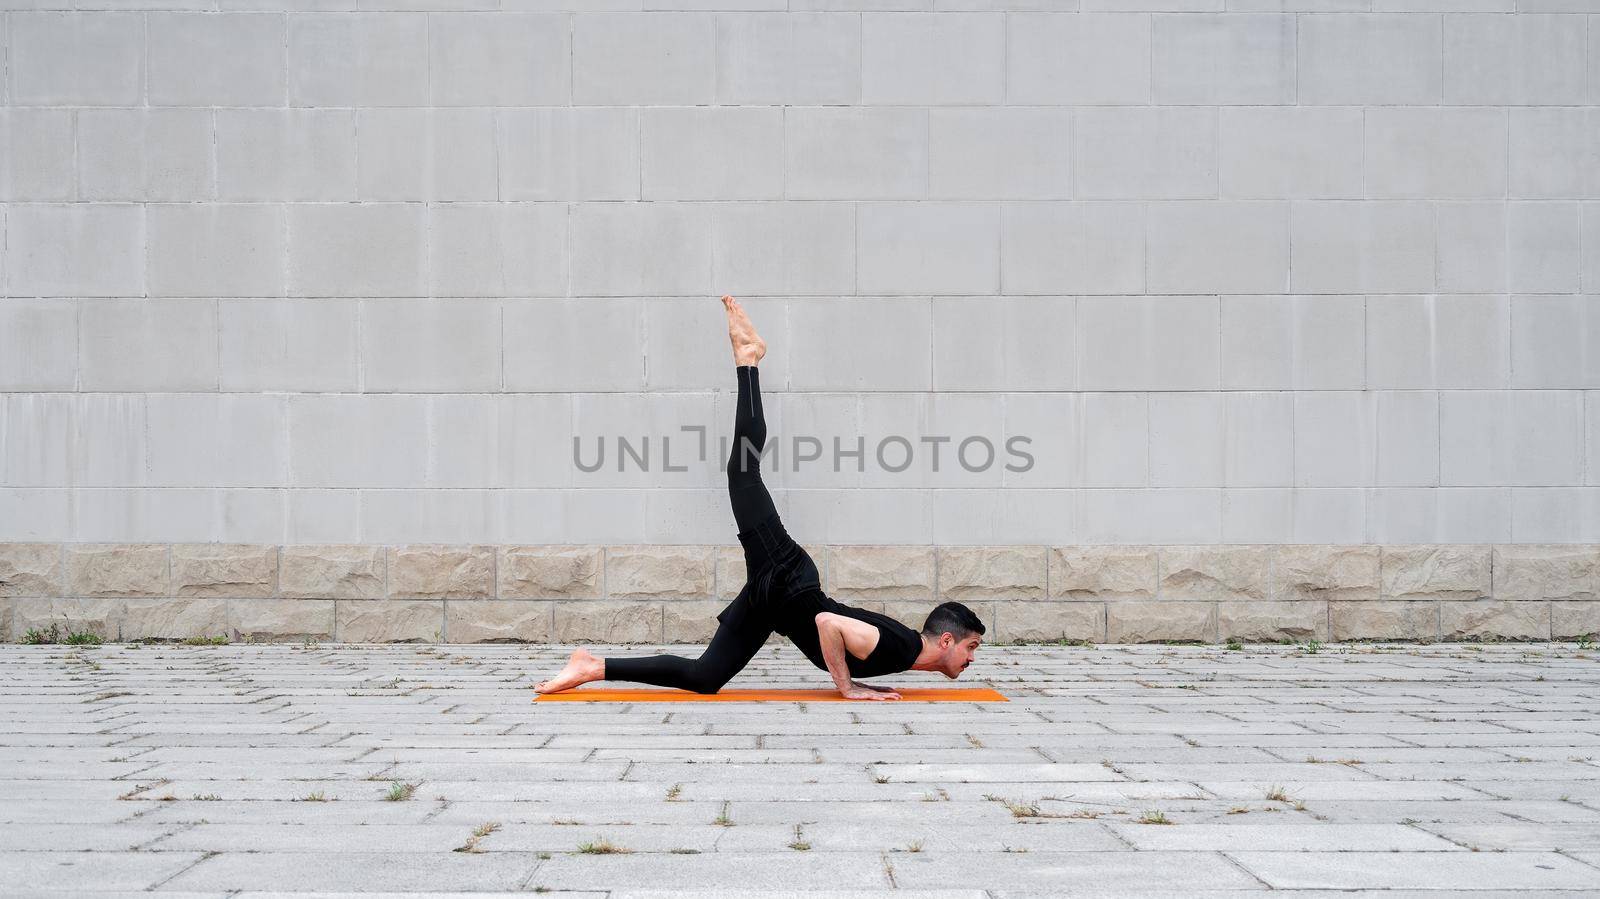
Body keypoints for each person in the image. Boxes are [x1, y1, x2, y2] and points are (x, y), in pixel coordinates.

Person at [534, 295, 986, 700]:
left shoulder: (903, 656)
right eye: (971, 647)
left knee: (705, 677)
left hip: (777, 600)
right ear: (946, 641)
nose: (971, 659)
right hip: (786, 577)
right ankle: (747, 359)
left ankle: (591, 666)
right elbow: (828, 624)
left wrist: (858, 681)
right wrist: (848, 687)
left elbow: (833, 630)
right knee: (743, 469)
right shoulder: (902, 646)